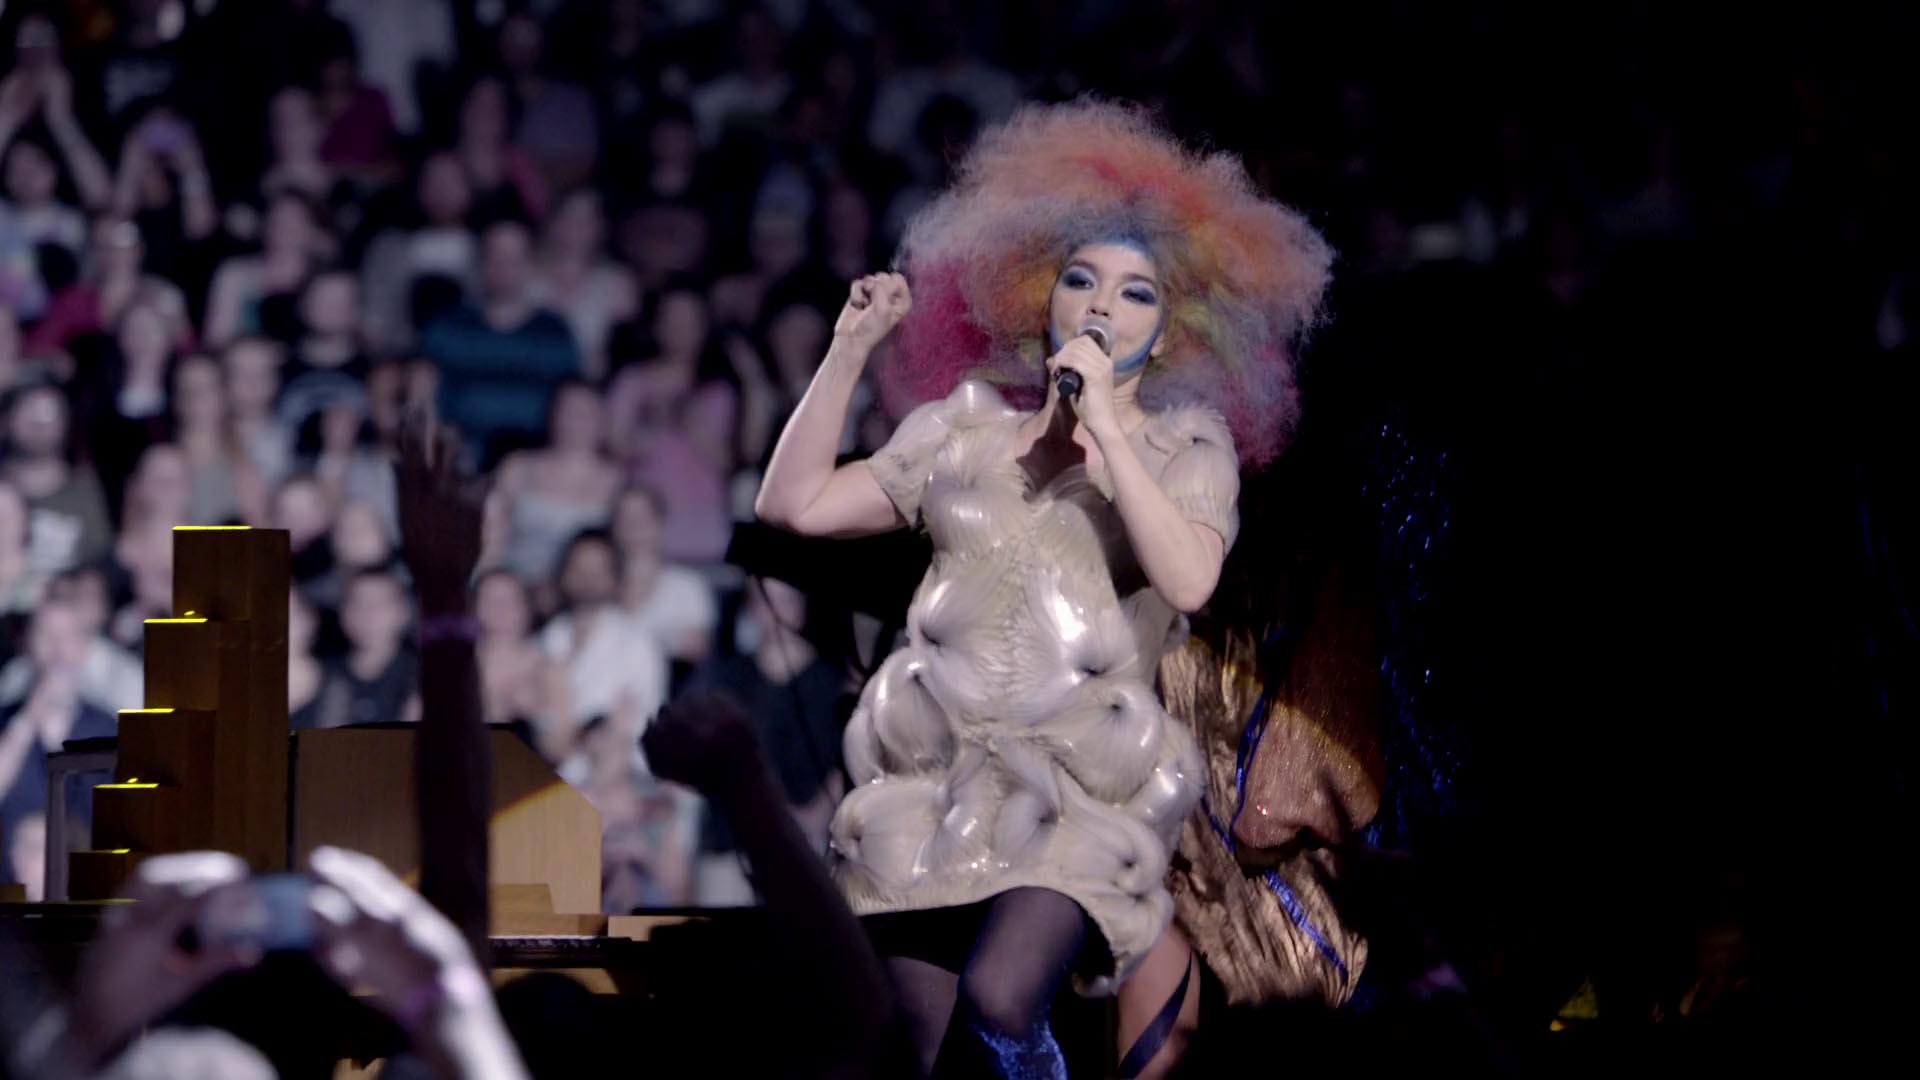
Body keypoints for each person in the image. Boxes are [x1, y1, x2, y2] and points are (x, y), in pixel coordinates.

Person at [754, 101, 1329, 1076]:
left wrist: (1105, 424)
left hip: (1077, 795)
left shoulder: (1184, 449)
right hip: (932, 791)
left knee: (1000, 997)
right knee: (927, 1047)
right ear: (1041, 297)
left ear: (1172, 329)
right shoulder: (961, 430)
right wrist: (850, 348)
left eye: (1137, 293)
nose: (1102, 306)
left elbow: (1189, 579)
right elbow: (792, 506)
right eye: (1081, 279)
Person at [490, 381, 620, 584]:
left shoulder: (617, 482)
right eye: (568, 412)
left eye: (585, 414)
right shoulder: (518, 468)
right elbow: (492, 537)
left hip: (585, 593)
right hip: (517, 587)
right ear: (553, 416)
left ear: (603, 420)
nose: (576, 422)